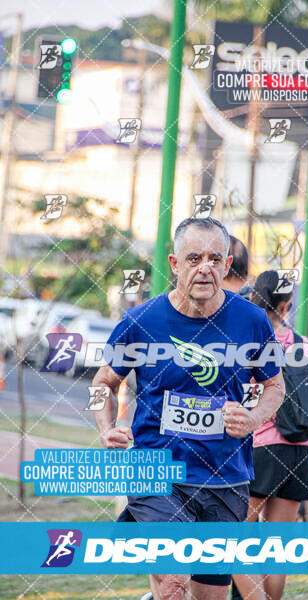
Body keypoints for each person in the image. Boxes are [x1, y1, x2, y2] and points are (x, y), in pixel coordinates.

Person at [92, 217, 285, 600]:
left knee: (209, 595)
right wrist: (106, 426)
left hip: (225, 476)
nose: (205, 267)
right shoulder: (141, 321)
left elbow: (274, 387)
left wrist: (252, 418)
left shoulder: (251, 321)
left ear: (228, 265)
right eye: (194, 258)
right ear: (175, 263)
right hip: (156, 472)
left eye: (215, 258)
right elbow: (103, 384)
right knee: (174, 582)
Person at [232, 270, 308, 600]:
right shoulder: (303, 344)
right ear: (287, 304)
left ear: (255, 299)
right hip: (300, 452)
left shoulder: (248, 342)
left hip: (259, 449)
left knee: (234, 540)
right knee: (277, 549)